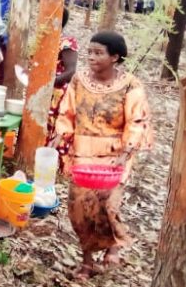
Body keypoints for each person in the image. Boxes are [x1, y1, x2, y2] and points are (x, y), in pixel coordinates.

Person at [54, 31, 153, 280]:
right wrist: (61, 134)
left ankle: (114, 245)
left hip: (114, 154)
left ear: (115, 57)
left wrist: (127, 150)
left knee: (106, 205)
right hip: (83, 153)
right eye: (90, 52)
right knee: (79, 210)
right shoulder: (79, 80)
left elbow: (137, 120)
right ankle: (87, 261)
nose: (91, 57)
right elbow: (67, 111)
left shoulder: (131, 85)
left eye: (99, 53)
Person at [46, 8, 78, 140]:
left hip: (56, 92)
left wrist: (50, 82)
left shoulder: (66, 42)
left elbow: (70, 71)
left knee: (52, 127)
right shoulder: (43, 42)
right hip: (41, 90)